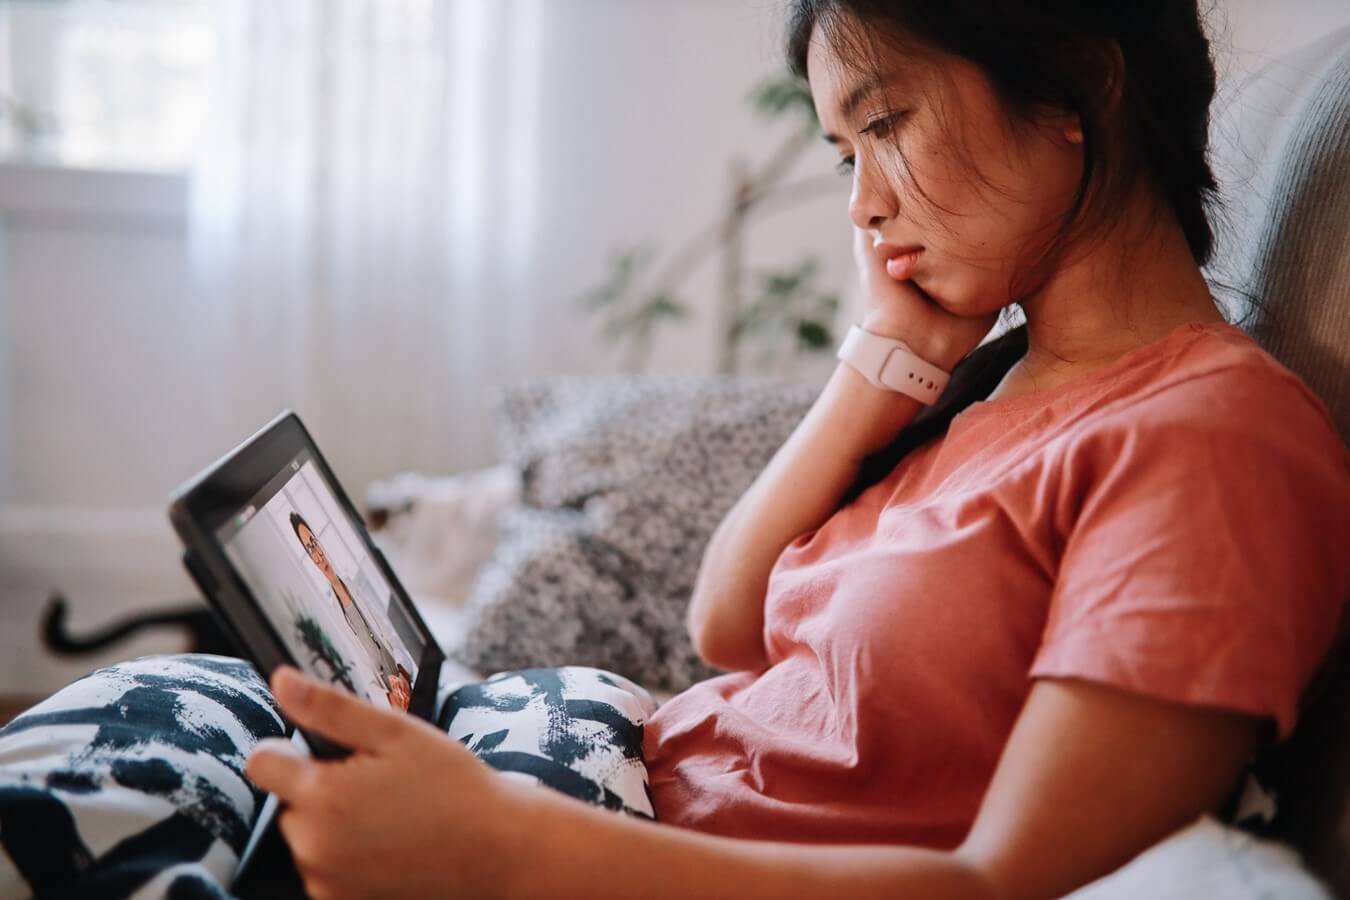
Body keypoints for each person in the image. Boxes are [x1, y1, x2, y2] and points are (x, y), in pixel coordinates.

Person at [289, 511, 414, 711]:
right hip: (388, 697)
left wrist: (404, 676)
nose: (318, 555)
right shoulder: (332, 615)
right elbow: (362, 674)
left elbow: (390, 633)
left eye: (315, 543)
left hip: (402, 674)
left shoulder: (355, 586)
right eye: (310, 550)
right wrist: (390, 700)